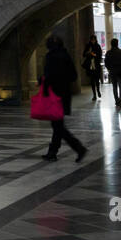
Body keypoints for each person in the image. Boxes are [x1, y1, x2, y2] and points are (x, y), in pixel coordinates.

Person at [40, 33, 87, 163]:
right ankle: (52, 152)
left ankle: (78, 148)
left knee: (58, 126)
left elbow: (48, 77)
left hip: (54, 96)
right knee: (57, 124)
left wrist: (43, 83)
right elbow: (73, 76)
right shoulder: (66, 55)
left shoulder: (51, 57)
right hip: (64, 95)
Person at [104, 37, 121, 107]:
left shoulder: (108, 53)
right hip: (120, 72)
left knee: (114, 87)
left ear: (111, 44)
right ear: (117, 44)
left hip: (112, 72)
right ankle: (120, 101)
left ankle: (116, 100)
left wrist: (109, 69)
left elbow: (106, 63)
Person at [82, 33, 103, 101]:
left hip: (96, 64)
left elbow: (99, 55)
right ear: (90, 40)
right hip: (90, 65)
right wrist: (88, 53)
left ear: (96, 40)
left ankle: (98, 91)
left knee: (97, 80)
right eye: (92, 40)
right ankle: (94, 95)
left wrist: (94, 54)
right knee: (92, 80)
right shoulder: (88, 46)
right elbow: (84, 54)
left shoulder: (98, 46)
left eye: (94, 40)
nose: (93, 41)